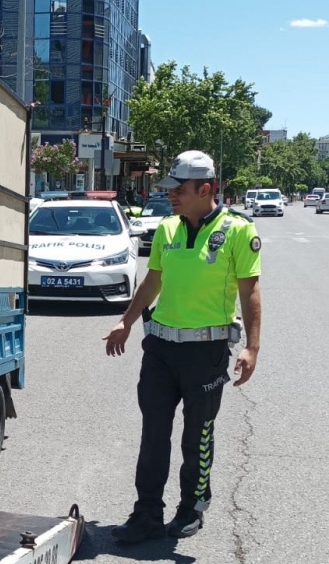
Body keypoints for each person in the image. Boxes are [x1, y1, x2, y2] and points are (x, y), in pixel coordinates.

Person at [103, 150, 262, 544]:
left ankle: (191, 507)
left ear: (205, 188)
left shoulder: (238, 231)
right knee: (153, 433)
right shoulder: (167, 230)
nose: (170, 195)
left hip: (205, 354)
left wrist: (252, 348)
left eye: (178, 189)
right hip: (160, 348)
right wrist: (126, 320)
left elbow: (250, 291)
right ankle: (146, 515)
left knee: (198, 436)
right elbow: (153, 280)